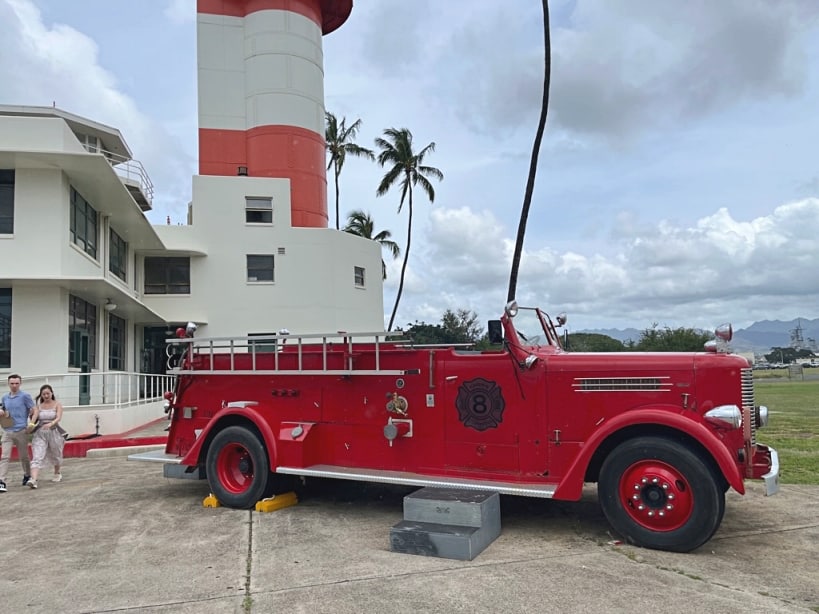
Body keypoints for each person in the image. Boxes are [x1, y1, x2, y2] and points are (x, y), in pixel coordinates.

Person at [0, 374, 36, 492]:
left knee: (24, 456)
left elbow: (34, 410)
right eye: (12, 383)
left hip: (21, 430)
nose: (14, 385)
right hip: (7, 430)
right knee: (5, 456)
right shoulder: (5, 397)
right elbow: (2, 408)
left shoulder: (25, 396)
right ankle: (2, 481)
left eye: (16, 383)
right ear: (8, 384)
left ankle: (27, 475)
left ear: (20, 383)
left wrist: (31, 423)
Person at [27, 384, 65, 489]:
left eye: (48, 393)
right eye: (44, 394)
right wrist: (30, 425)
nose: (46, 395)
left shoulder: (57, 404)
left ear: (51, 393)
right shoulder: (38, 407)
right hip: (40, 433)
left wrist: (51, 423)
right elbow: (34, 419)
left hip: (54, 432)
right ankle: (33, 479)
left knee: (56, 453)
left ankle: (57, 472)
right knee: (37, 455)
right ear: (41, 395)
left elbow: (58, 418)